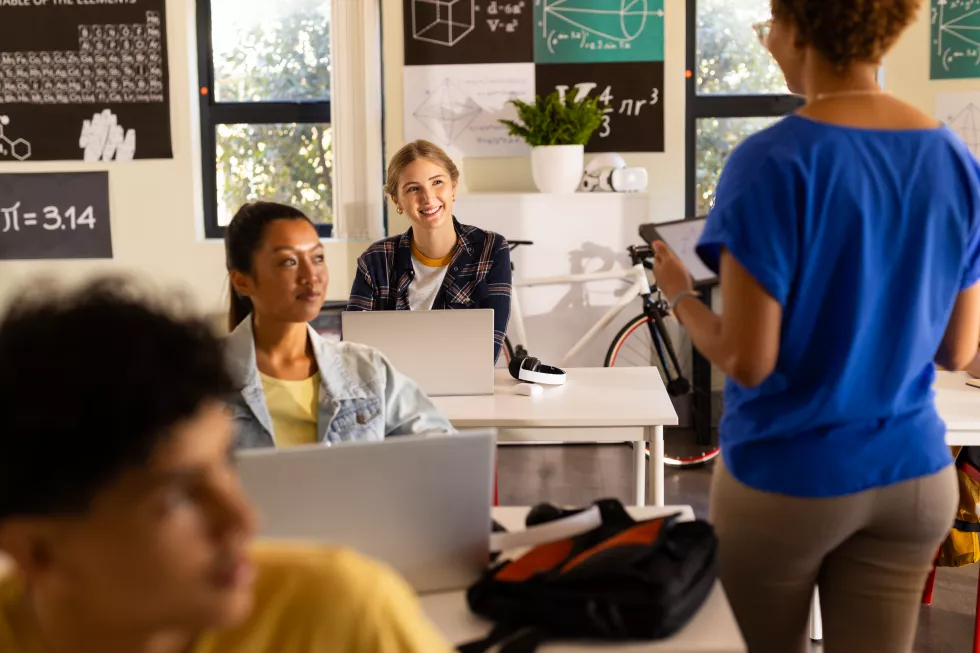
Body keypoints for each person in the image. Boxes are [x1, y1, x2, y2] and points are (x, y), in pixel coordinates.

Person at [650, 1, 980, 651]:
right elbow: (959, 349)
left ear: (800, 29)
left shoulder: (769, 160)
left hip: (789, 476)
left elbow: (748, 358)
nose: (768, 39)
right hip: (911, 476)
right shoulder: (954, 159)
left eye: (770, 23)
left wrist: (681, 297)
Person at [0, 279, 453, 653]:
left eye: (226, 462)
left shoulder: (340, 611)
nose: (244, 519)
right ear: (36, 550)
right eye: (177, 496)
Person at [225, 201, 453, 449]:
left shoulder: (365, 369)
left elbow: (444, 446)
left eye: (318, 257)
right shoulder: (201, 379)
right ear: (243, 282)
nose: (311, 275)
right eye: (289, 262)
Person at [347, 140, 512, 362]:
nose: (428, 197)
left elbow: (486, 354)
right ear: (397, 200)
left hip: (463, 391)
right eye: (413, 188)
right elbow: (353, 353)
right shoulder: (375, 261)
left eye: (437, 182)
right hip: (392, 391)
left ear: (453, 187)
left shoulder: (491, 250)